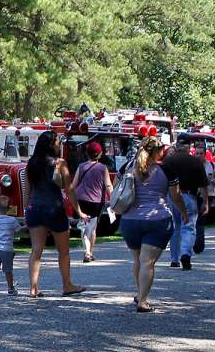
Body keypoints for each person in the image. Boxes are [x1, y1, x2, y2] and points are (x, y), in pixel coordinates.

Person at [24, 131, 86, 297]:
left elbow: (28, 190)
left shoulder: (31, 163)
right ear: (51, 145)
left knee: (36, 250)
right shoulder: (60, 163)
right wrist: (78, 210)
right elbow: (70, 189)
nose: (60, 145)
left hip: (35, 208)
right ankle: (67, 285)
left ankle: (33, 288)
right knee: (63, 251)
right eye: (58, 142)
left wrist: (26, 209)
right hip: (54, 208)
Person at [120, 136, 177, 312]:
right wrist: (182, 211)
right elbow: (176, 195)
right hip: (157, 220)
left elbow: (118, 189)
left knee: (137, 259)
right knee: (147, 262)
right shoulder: (166, 169)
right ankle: (143, 301)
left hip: (130, 221)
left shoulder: (129, 167)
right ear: (159, 152)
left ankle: (139, 294)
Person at [162, 133, 207, 270]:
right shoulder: (195, 162)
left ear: (177, 145)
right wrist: (205, 201)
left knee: (175, 227)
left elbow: (162, 181)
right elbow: (203, 185)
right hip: (189, 197)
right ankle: (186, 254)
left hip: (172, 197)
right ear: (189, 146)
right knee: (188, 227)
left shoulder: (168, 161)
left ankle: (174, 259)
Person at [70, 140, 112, 263]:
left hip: (81, 199)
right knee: (92, 228)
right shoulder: (103, 168)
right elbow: (108, 185)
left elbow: (73, 185)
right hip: (96, 201)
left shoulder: (81, 166)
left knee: (84, 227)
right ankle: (89, 252)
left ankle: (88, 252)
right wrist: (114, 198)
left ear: (87, 154)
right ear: (100, 154)